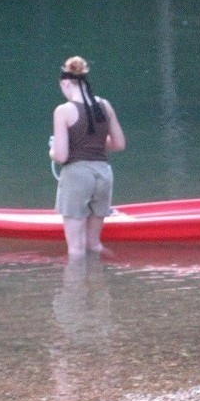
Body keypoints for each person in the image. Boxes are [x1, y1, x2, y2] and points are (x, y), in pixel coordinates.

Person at [49, 56, 126, 257]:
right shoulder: (105, 105)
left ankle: (75, 289)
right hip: (103, 174)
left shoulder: (63, 111)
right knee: (94, 244)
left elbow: (61, 155)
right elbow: (119, 144)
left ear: (65, 82)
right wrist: (95, 143)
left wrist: (52, 151)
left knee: (76, 248)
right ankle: (113, 272)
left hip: (77, 175)